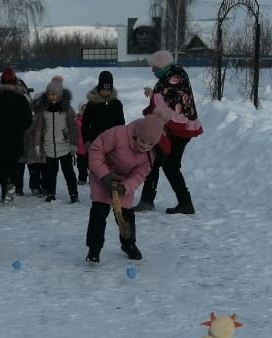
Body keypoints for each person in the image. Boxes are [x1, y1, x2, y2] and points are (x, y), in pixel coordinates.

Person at [84, 113, 165, 263]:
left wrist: (125, 187)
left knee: (126, 215)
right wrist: (105, 176)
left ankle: (129, 244)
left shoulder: (150, 154)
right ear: (137, 133)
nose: (144, 146)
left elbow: (140, 174)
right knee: (99, 212)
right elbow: (96, 150)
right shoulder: (119, 134)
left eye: (149, 144)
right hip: (102, 174)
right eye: (142, 141)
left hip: (124, 181)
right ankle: (94, 248)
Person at [134, 49, 201, 215]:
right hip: (168, 129)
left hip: (179, 130)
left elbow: (167, 105)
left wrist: (152, 95)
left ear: (163, 66)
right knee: (153, 161)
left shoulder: (175, 78)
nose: (153, 70)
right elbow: (163, 99)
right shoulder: (169, 76)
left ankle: (185, 203)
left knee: (170, 166)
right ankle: (147, 201)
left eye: (155, 67)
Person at [0, 66, 33, 204]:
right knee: (12, 164)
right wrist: (19, 128)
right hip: (17, 138)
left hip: (0, 138)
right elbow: (28, 120)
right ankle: (8, 188)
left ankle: (6, 186)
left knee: (0, 165)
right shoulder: (22, 100)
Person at [26, 77, 80, 202]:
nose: (51, 97)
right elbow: (39, 128)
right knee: (50, 173)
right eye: (49, 94)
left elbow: (73, 128)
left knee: (68, 172)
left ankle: (73, 193)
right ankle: (51, 193)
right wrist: (38, 144)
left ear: (60, 95)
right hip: (49, 145)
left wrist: (73, 144)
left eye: (54, 94)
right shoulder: (44, 110)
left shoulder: (67, 110)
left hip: (64, 146)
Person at [79, 70, 125, 187]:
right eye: (103, 90)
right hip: (96, 142)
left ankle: (111, 190)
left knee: (111, 168)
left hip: (112, 143)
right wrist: (87, 141)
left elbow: (121, 124)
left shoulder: (116, 104)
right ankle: (97, 193)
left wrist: (121, 140)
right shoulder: (92, 104)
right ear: (99, 88)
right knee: (97, 167)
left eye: (108, 90)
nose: (105, 92)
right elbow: (85, 124)